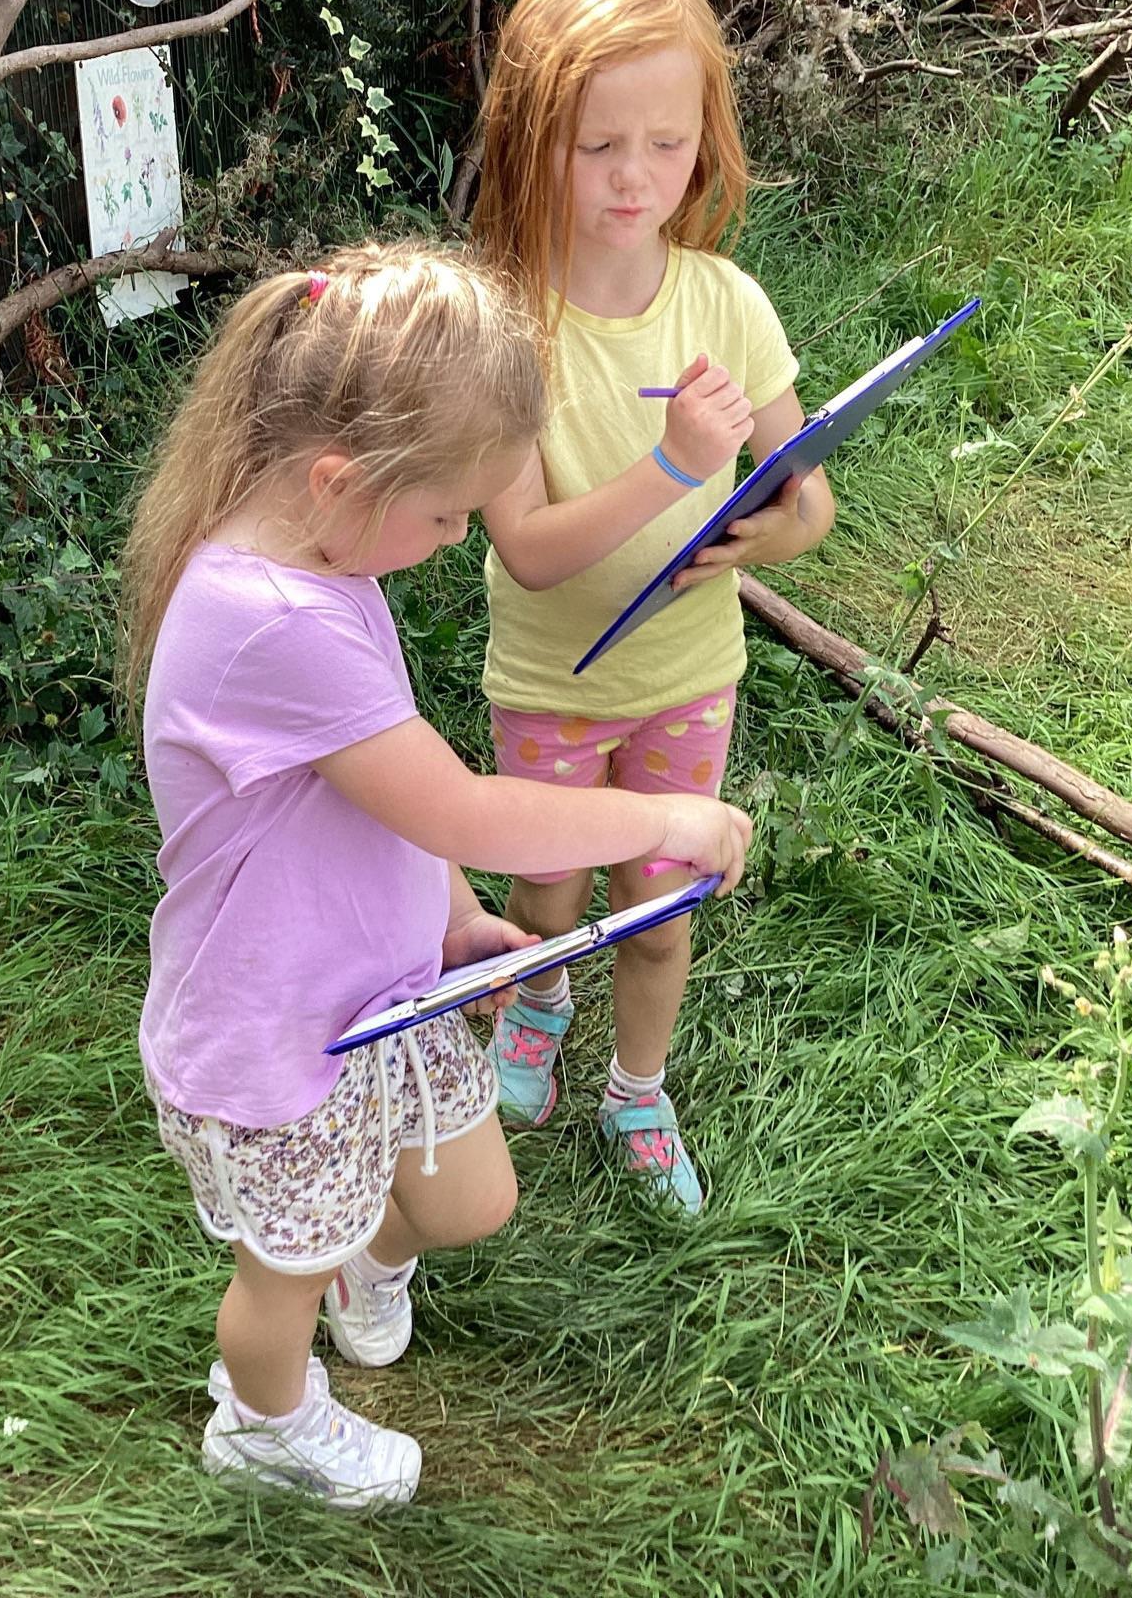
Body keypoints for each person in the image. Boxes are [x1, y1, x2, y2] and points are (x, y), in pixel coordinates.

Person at [120, 244, 753, 1508]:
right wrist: (663, 814)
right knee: (276, 1277)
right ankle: (262, 1422)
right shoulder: (275, 619)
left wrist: (456, 912)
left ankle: (354, 1251)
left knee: (470, 1197)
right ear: (342, 478)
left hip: (377, 990)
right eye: (451, 514)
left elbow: (391, 792)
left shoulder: (330, 557)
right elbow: (463, 802)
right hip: (278, 1031)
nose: (461, 539)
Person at [471, 0, 835, 1211]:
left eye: (667, 144)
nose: (635, 176)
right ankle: (536, 1002)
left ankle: (637, 1086)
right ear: (533, 141)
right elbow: (528, 546)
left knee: (659, 907)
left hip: (688, 676)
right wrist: (673, 466)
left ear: (704, 142)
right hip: (550, 679)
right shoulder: (509, 323)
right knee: (546, 886)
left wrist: (766, 534)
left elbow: (808, 497)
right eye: (598, 146)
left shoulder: (725, 304)